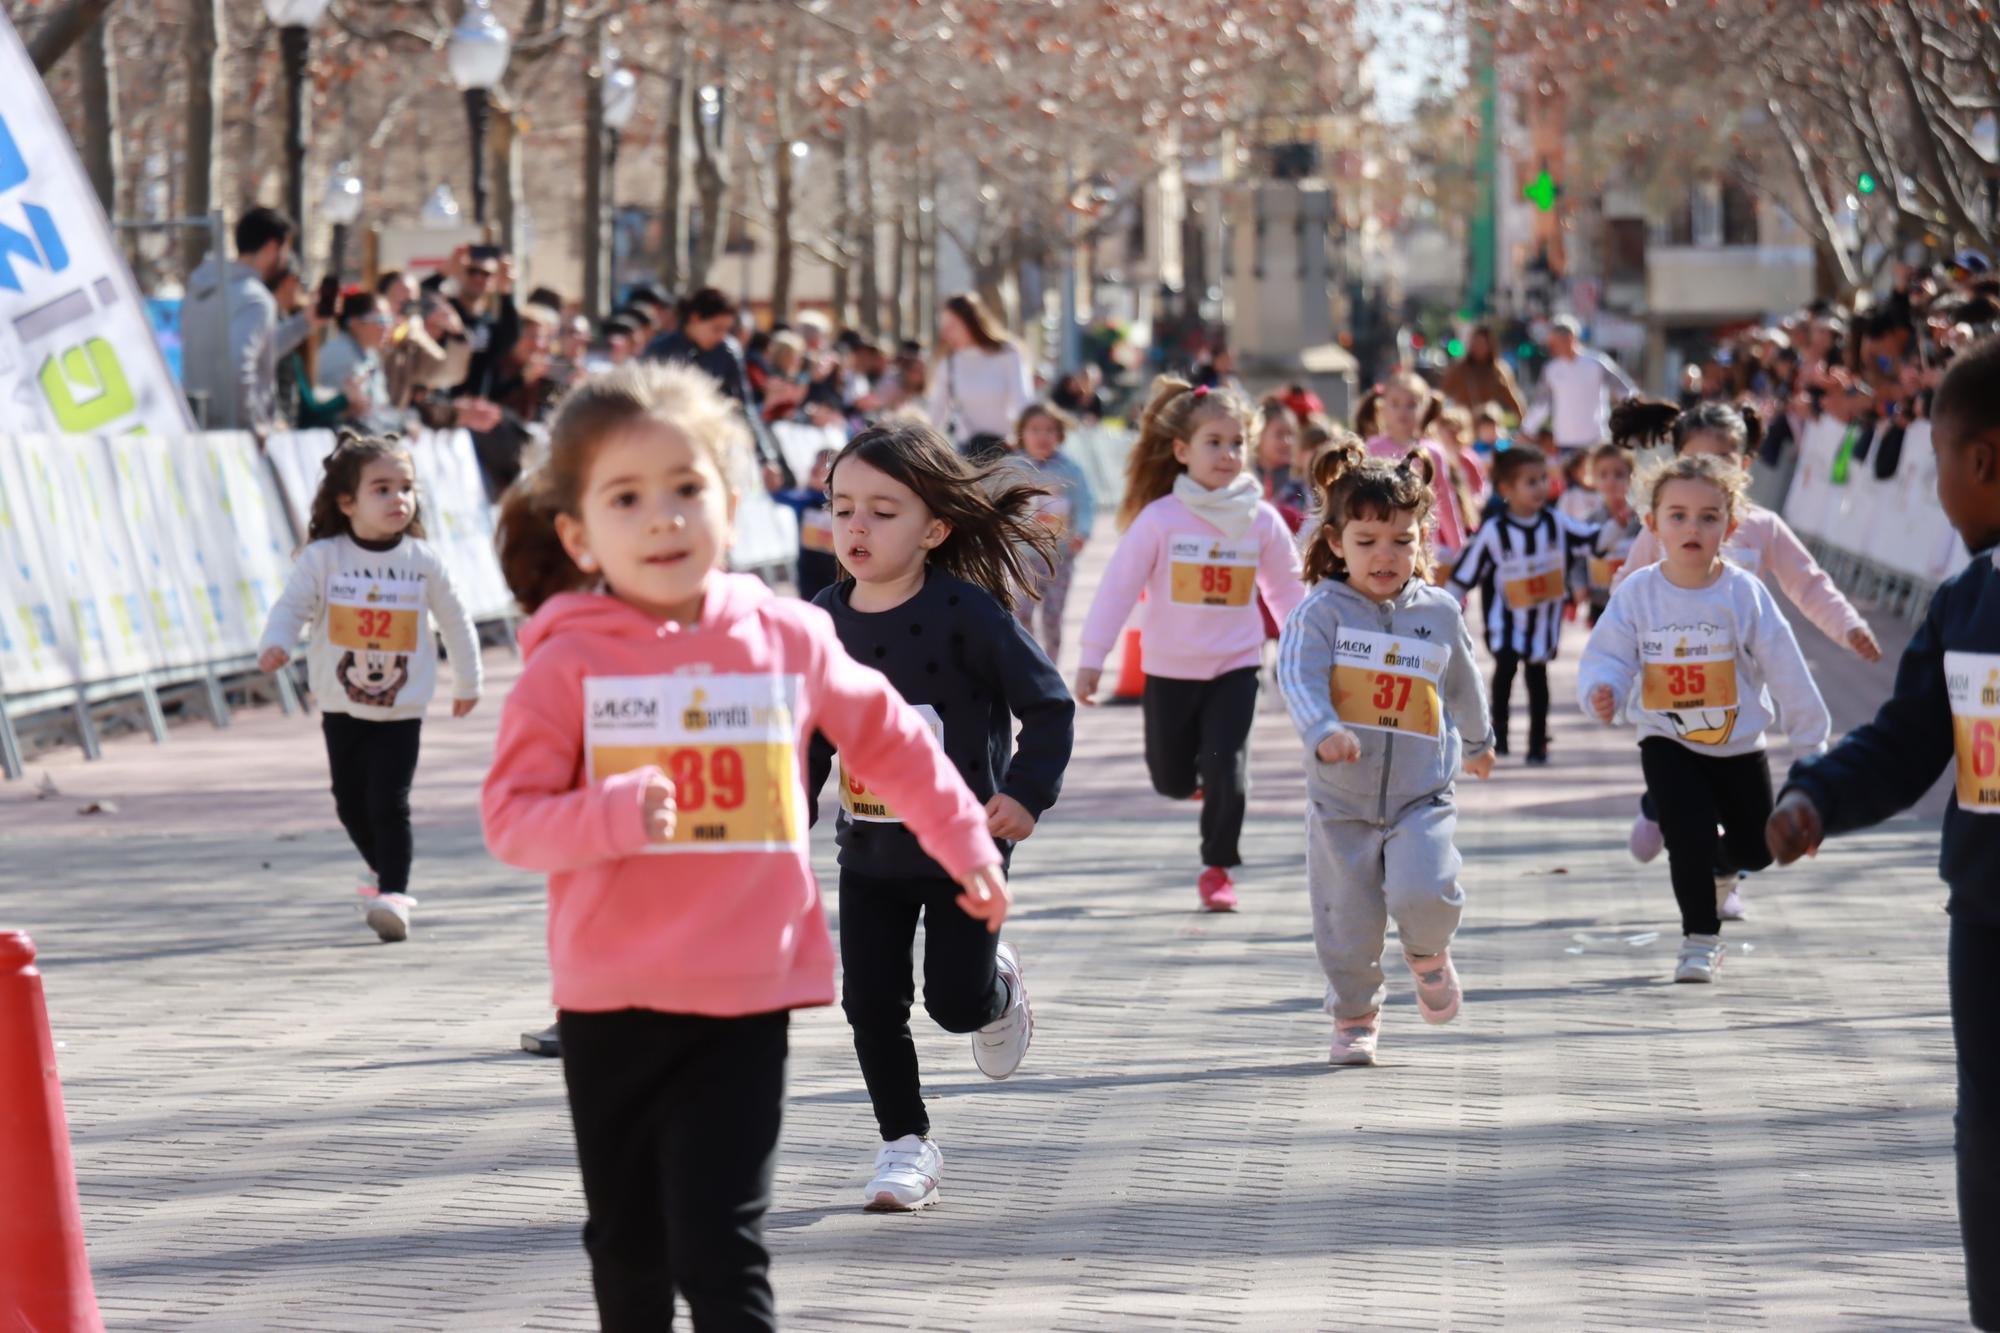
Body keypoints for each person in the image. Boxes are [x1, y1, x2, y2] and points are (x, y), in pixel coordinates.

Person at [481, 363, 1004, 1329]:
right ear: (576, 532)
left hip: (744, 992)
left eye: (688, 489)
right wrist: (610, 814)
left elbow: (885, 731)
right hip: (612, 995)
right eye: (626, 498)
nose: (664, 518)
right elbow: (510, 818)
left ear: (735, 502)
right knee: (631, 1247)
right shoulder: (569, 659)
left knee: (724, 1245)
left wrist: (963, 836)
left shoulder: (783, 634)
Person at [1766, 336, 2000, 1330]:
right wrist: (1816, 795)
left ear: (1980, 460)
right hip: (1989, 923)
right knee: (1990, 1133)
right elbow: (1907, 741)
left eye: (1938, 458)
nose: (1938, 484)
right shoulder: (1964, 602)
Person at [803, 420, 1071, 1213]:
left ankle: (996, 988)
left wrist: (1024, 793)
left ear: (936, 528)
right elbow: (810, 730)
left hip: (967, 845)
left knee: (952, 1002)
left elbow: (1048, 706)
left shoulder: (970, 615)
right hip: (871, 849)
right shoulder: (820, 618)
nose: (857, 525)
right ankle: (904, 1143)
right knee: (870, 1002)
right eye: (843, 506)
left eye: (884, 511)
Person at [1276, 442, 1496, 1065]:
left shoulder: (1439, 612)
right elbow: (1297, 676)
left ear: (1422, 540)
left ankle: (1428, 953)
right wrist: (1323, 729)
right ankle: (1354, 1017)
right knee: (1346, 926)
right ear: (1337, 541)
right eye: (1368, 540)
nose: (1385, 555)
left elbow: (1463, 685)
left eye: (1402, 540)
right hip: (1340, 804)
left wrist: (1479, 745)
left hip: (1421, 795)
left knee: (1426, 891)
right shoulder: (1321, 613)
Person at [1609, 399, 1881, 890]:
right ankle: (1663, 808)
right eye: (1701, 461)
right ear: (1679, 463)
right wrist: (1616, 662)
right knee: (1686, 779)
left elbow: (1809, 584)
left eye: (1725, 462)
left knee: (1736, 802)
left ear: (1745, 466)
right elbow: (1626, 594)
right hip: (1673, 686)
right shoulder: (1664, 524)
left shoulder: (1761, 528)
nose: (1712, 474)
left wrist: (1848, 626)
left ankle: (1723, 873)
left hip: (1737, 687)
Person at [1579, 452, 1829, 983]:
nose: (1693, 527)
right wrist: (1603, 690)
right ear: (1653, 524)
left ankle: (1723, 865)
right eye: (1678, 515)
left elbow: (1786, 668)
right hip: (1667, 739)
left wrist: (1813, 750)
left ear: (1730, 527)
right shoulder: (1638, 594)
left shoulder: (1743, 594)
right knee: (1686, 833)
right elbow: (1609, 654)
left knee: (1759, 850)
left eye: (1709, 517)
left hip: (1739, 744)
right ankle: (1699, 940)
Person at [1073, 377, 1306, 910]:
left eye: (1237, 443)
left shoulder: (1262, 519)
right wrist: (1092, 660)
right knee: (1172, 778)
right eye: (1213, 442)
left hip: (1236, 666)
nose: (1228, 455)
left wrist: (1310, 652)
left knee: (1229, 766)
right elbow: (1117, 589)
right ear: (1182, 451)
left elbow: (1287, 590)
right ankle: (1198, 788)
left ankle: (1218, 866)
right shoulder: (1160, 520)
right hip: (1169, 670)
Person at [256, 437, 482, 943]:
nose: (399, 499)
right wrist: (276, 644)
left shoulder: (423, 560)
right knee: (349, 802)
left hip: (403, 706)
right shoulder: (323, 558)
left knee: (389, 801)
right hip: (341, 703)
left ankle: (395, 897)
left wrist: (468, 681)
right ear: (347, 502)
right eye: (382, 489)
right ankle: (384, 875)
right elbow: (291, 607)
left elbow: (455, 621)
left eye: (407, 489)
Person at [1447, 446, 1599, 764]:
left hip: (1542, 623)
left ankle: (1537, 741)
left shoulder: (1556, 523)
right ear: (1506, 489)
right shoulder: (1495, 532)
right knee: (1503, 674)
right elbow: (1465, 574)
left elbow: (1593, 539)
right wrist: (1443, 608)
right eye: (1530, 481)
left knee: (1537, 679)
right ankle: (1498, 735)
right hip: (1505, 622)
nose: (1541, 487)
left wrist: (1622, 523)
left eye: (1543, 479)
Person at [182, 207, 315, 432]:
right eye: (286, 250)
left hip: (199, 426)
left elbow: (258, 348)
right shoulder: (255, 299)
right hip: (236, 438)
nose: (285, 260)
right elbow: (238, 363)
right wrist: (254, 426)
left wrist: (304, 322)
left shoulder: (202, 289)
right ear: (273, 247)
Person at [645, 287, 792, 486]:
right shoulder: (660, 350)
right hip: (666, 444)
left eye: (726, 330)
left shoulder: (728, 351)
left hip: (714, 445)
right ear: (695, 319)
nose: (721, 336)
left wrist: (766, 457)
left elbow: (744, 407)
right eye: (716, 328)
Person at [1009, 402, 1096, 661]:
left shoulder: (1070, 469)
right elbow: (997, 504)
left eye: (1049, 430)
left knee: (1053, 616)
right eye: (1034, 429)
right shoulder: (1013, 468)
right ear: (1022, 433)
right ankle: (1029, 662)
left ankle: (1052, 666)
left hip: (1059, 557)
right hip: (1025, 556)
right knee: (1021, 612)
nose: (1042, 436)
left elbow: (1085, 502)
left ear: (1059, 434)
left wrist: (1082, 531)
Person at [1358, 371, 1470, 561]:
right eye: (1395, 404)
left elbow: (1444, 499)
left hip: (1422, 544)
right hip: (1382, 544)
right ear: (1383, 407)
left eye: (1412, 405)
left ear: (1425, 408)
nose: (1403, 411)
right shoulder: (1371, 449)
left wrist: (1459, 547)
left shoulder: (1432, 452)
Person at [927, 293, 1033, 461]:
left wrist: (1022, 438)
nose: (946, 334)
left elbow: (1022, 400)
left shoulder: (1007, 353)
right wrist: (923, 446)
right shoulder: (950, 363)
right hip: (968, 453)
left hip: (1007, 451)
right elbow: (937, 410)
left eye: (952, 325)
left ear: (970, 322)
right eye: (944, 327)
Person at [1521, 315, 1637, 456]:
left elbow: (1625, 390)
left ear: (1570, 338)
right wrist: (1527, 430)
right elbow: (1541, 403)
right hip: (1565, 441)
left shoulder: (1597, 363)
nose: (1552, 348)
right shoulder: (1551, 369)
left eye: (1556, 342)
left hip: (1595, 438)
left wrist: (1635, 413)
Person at [316, 291, 400, 434]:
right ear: (354, 322)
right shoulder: (339, 354)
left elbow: (380, 406)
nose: (387, 327)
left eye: (389, 320)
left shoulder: (369, 352)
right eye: (380, 320)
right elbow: (343, 412)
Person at [1578, 442, 1640, 624]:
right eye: (1603, 474)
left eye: (1619, 474)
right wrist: (1579, 585)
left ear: (1631, 477)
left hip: (1633, 601)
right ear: (1592, 479)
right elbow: (1579, 558)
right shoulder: (1589, 521)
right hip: (1600, 599)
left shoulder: (1642, 521)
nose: (1611, 481)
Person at [767, 447, 839, 602]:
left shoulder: (842, 500)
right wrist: (771, 482)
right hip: (808, 569)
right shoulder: (804, 498)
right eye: (815, 463)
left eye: (823, 465)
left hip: (836, 570)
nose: (815, 468)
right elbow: (778, 495)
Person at [1440, 325, 1526, 420]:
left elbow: (1512, 398)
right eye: (1476, 343)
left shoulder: (1498, 371)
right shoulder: (1459, 370)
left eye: (1483, 343)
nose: (1479, 347)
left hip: (1488, 424)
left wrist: (1524, 424)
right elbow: (1444, 394)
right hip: (1465, 423)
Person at [1256, 394, 1308, 512]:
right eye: (1279, 434)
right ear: (1259, 435)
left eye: (1291, 434)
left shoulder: (1301, 482)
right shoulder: (1245, 478)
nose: (1287, 442)